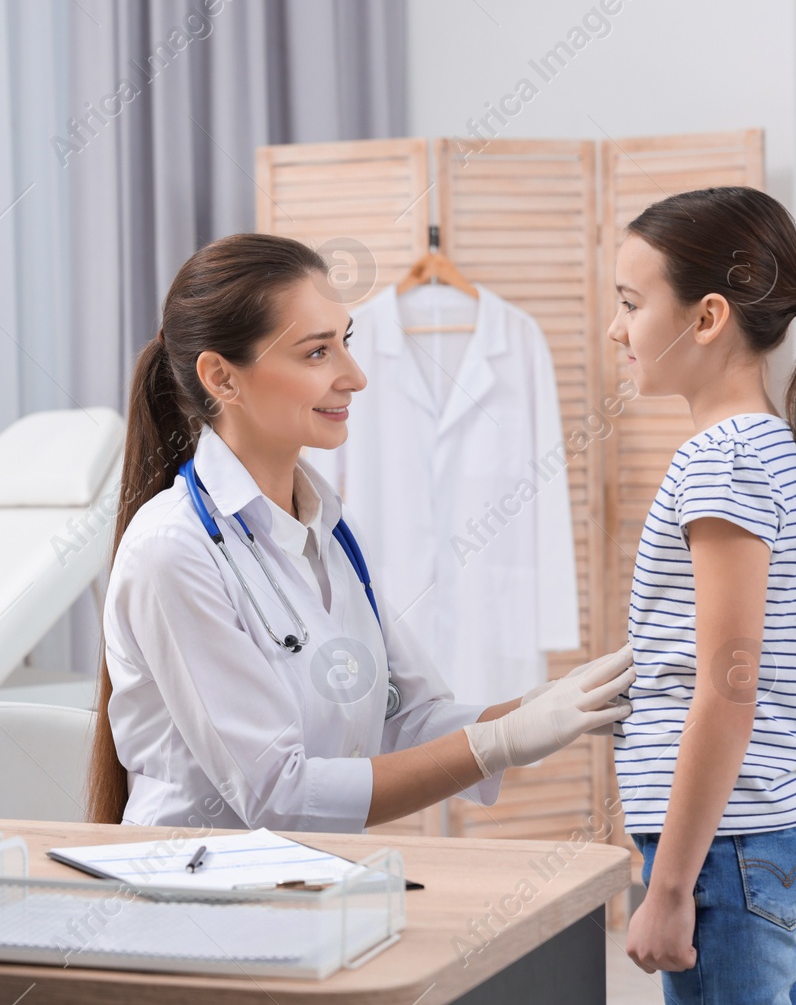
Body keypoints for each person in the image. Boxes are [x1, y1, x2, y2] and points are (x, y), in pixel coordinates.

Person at [87, 232, 635, 830]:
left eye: (344, 342)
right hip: (196, 896)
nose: (355, 376)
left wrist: (551, 705)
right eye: (317, 353)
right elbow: (279, 795)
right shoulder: (174, 549)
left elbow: (407, 719)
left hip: (309, 885)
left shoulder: (328, 528)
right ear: (222, 378)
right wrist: (498, 741)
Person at [611, 186, 796, 1002]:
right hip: (759, 835)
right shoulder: (764, 448)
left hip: (726, 848)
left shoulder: (721, 462)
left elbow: (726, 689)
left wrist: (668, 886)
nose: (616, 329)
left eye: (631, 304)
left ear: (707, 318)